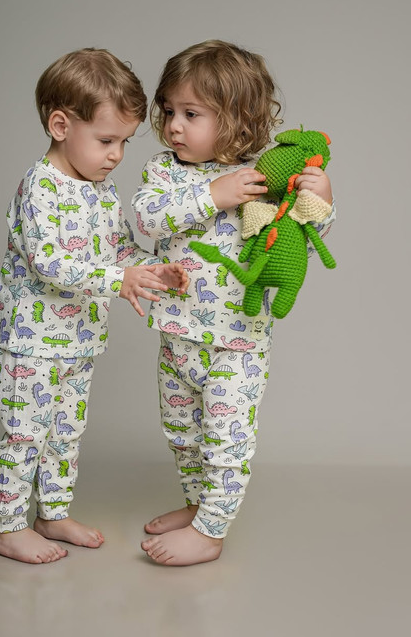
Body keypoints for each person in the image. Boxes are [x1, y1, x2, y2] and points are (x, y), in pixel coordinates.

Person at [132, 40, 335, 566]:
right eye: (169, 111)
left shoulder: (264, 176)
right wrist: (212, 195)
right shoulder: (164, 171)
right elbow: (148, 218)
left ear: (238, 119)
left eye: (191, 114)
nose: (174, 126)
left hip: (237, 342)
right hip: (177, 335)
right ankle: (196, 505)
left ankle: (211, 530)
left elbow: (300, 233)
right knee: (182, 431)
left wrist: (321, 198)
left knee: (225, 437)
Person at [0, 48, 188, 565]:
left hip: (80, 339)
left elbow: (119, 250)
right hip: (30, 341)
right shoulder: (40, 187)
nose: (117, 154)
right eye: (106, 140)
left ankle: (52, 513)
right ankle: (8, 526)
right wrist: (120, 279)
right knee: (25, 435)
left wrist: (152, 269)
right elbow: (48, 262)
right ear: (61, 125)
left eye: (124, 142)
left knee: (66, 433)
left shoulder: (102, 189)